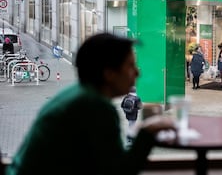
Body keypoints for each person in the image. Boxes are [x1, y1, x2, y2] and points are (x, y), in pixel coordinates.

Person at [7, 33, 176, 175]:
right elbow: (120, 171)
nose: (138, 73)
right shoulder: (96, 107)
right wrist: (147, 132)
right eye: (130, 66)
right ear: (109, 73)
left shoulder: (77, 95)